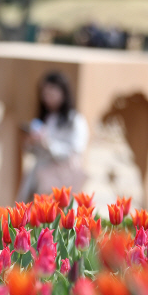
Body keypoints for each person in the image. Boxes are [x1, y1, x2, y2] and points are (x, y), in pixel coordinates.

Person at [17, 72, 89, 202]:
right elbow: (35, 152)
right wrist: (31, 142)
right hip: (40, 175)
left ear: (63, 93)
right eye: (44, 94)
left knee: (58, 216)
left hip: (61, 177)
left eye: (51, 94)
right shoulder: (45, 118)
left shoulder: (75, 120)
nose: (47, 99)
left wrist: (48, 143)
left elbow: (75, 150)